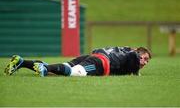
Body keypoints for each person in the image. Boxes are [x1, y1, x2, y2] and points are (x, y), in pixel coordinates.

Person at [4, 46, 151, 77]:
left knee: (60, 70)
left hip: (95, 56)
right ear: (138, 53)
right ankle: (42, 68)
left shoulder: (125, 50)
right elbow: (134, 60)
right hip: (101, 63)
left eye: (147, 61)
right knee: (77, 73)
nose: (144, 62)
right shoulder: (133, 55)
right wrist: (137, 72)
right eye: (144, 58)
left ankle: (21, 62)